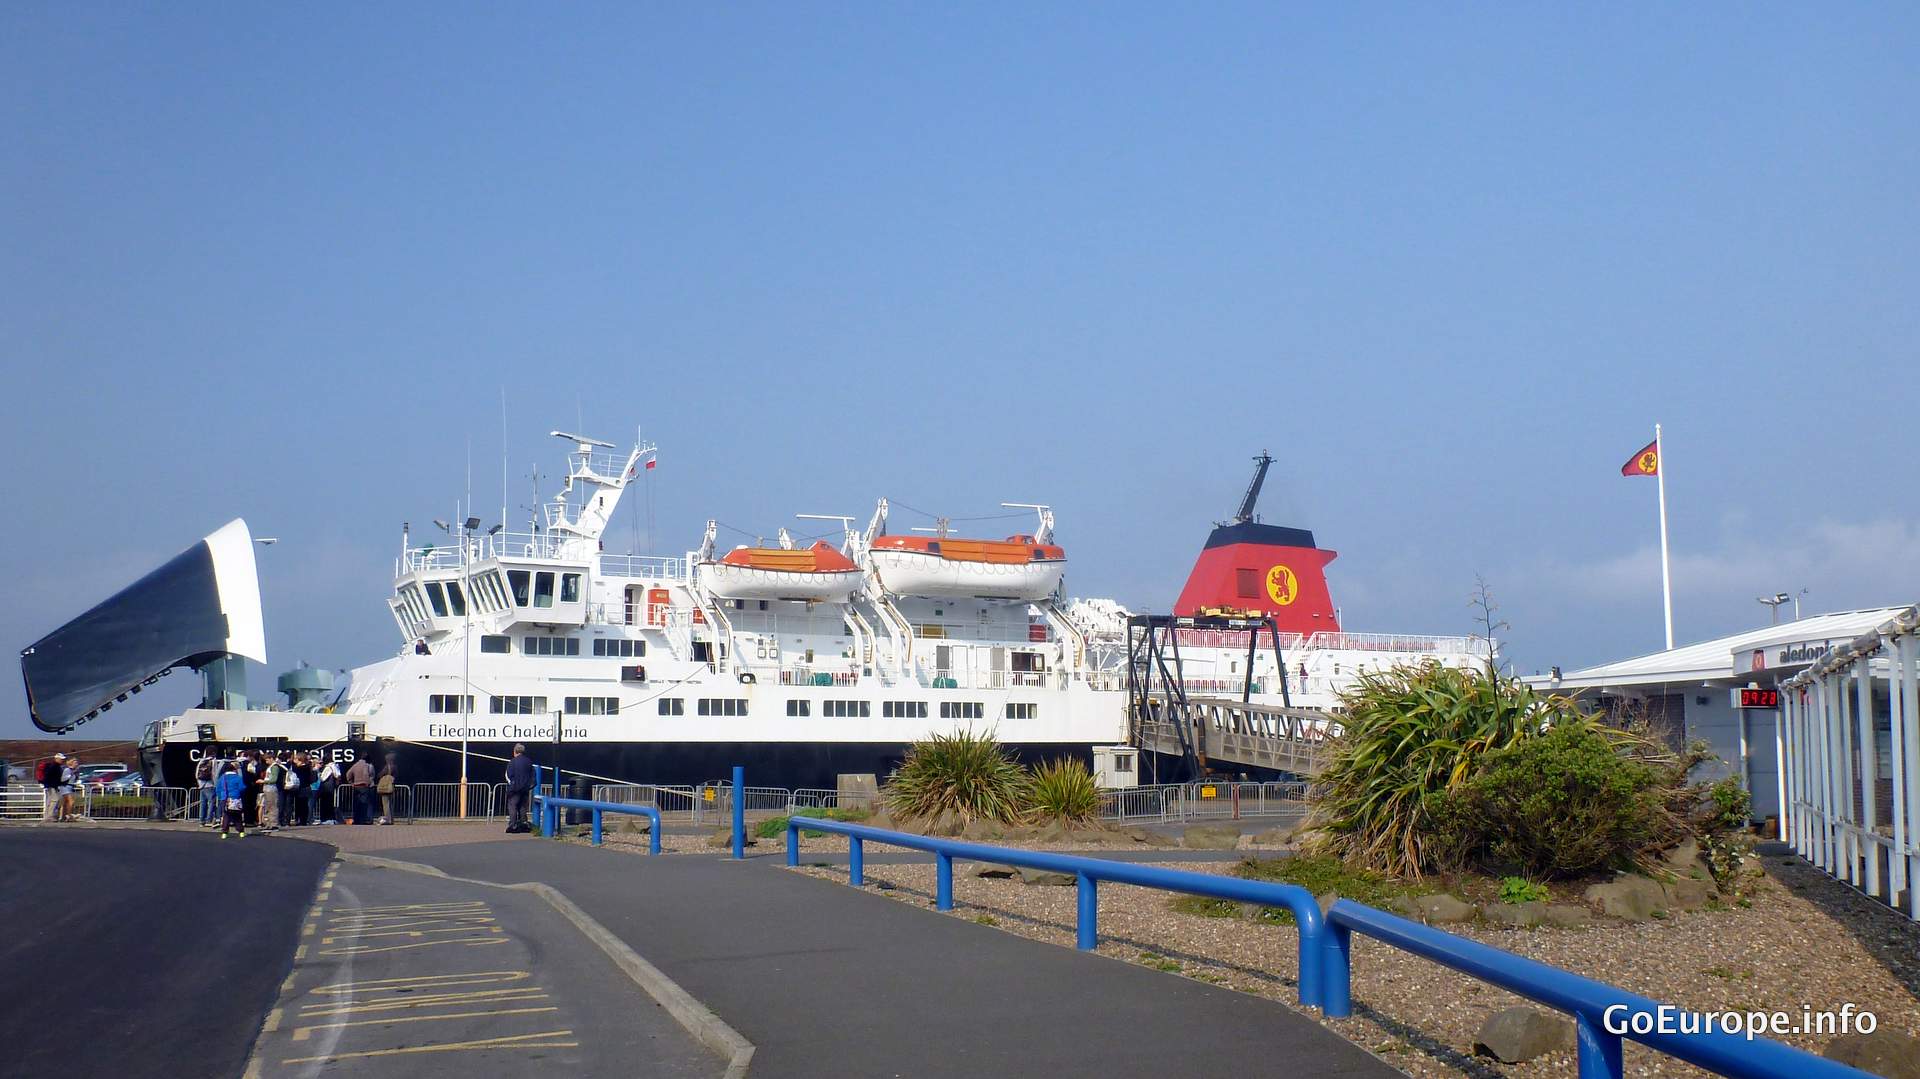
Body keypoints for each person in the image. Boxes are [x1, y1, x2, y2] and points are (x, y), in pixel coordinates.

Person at [503, 745, 535, 834]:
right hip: (525, 788)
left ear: (515, 751)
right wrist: (529, 785)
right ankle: (524, 824)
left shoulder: (512, 762)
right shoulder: (529, 762)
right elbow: (532, 775)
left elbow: (508, 775)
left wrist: (512, 784)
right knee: (523, 806)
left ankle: (513, 825)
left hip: (515, 788)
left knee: (512, 805)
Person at [214, 762, 247, 838]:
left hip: (224, 798)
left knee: (226, 815)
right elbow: (242, 787)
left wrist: (220, 797)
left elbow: (218, 788)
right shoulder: (238, 777)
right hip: (236, 798)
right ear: (234, 769)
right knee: (237, 815)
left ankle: (224, 832)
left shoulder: (222, 778)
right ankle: (241, 831)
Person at [344, 756, 374, 825]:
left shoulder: (355, 765)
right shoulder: (366, 765)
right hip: (364, 786)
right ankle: (363, 820)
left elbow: (348, 774)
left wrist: (351, 782)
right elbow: (366, 774)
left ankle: (356, 819)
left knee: (357, 804)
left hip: (356, 786)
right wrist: (367, 783)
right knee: (364, 804)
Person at [38, 753, 65, 822]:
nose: (62, 760)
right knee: (54, 800)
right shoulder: (54, 766)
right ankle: (50, 816)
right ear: (57, 759)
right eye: (61, 759)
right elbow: (49, 776)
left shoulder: (55, 766)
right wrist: (48, 784)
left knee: (51, 800)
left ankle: (47, 816)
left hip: (52, 786)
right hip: (52, 786)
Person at [258, 754, 281, 832]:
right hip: (267, 789)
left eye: (267, 760)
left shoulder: (275, 767)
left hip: (271, 789)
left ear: (271, 758)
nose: (266, 761)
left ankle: (274, 824)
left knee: (272, 807)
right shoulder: (270, 767)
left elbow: (274, 779)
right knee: (268, 807)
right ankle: (269, 823)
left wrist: (263, 781)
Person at [317, 758, 342, 824]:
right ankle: (330, 818)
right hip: (331, 786)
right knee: (330, 802)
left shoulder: (329, 767)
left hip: (326, 786)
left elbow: (322, 778)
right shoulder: (335, 765)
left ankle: (326, 819)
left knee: (326, 803)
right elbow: (338, 775)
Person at [195, 755, 218, 827]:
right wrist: (215, 784)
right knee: (211, 803)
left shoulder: (201, 761)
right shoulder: (213, 761)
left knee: (203, 803)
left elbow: (196, 774)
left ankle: (201, 821)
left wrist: (199, 783)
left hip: (201, 785)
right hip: (210, 785)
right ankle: (209, 820)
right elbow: (214, 774)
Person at [377, 759, 397, 825]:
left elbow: (380, 775)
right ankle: (391, 820)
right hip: (391, 787)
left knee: (386, 805)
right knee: (391, 804)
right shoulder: (394, 767)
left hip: (385, 789)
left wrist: (379, 775)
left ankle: (388, 820)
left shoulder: (386, 767)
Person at [57, 758, 78, 822]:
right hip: (65, 787)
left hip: (70, 787)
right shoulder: (67, 770)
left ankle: (62, 817)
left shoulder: (73, 771)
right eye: (75, 763)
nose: (77, 764)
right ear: (71, 763)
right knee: (71, 801)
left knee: (65, 803)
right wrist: (70, 775)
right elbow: (63, 779)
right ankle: (68, 816)